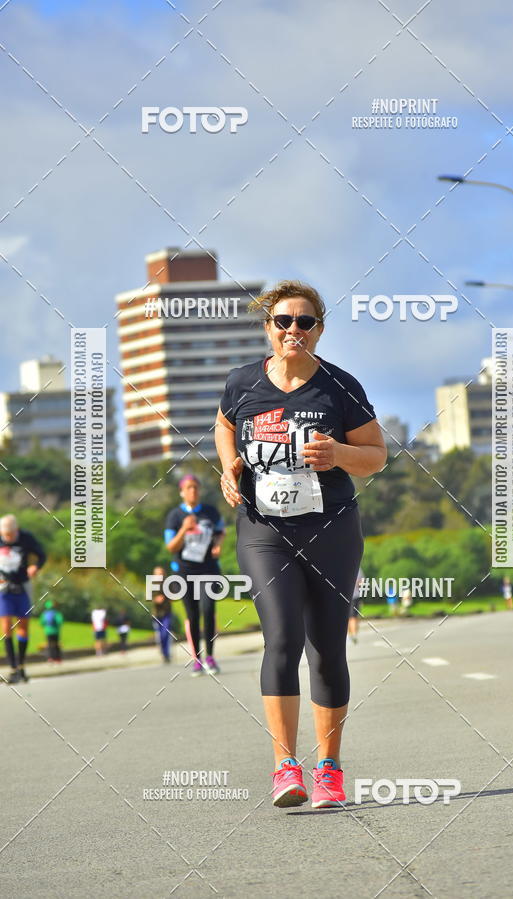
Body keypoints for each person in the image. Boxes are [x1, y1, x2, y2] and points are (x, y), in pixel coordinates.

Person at [215, 280, 386, 809]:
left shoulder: (338, 386)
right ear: (268, 328)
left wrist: (337, 453)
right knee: (282, 639)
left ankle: (329, 769)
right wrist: (228, 467)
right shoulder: (243, 383)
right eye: (283, 321)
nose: (294, 331)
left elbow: (376, 454)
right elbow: (224, 425)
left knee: (327, 648)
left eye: (305, 322)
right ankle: (286, 766)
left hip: (331, 527)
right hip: (264, 531)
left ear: (319, 329)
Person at [164, 475, 226, 675]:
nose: (193, 491)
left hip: (208, 569)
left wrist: (217, 545)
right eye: (189, 488)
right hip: (184, 572)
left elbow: (221, 532)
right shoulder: (174, 516)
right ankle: (197, 659)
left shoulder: (211, 512)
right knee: (192, 615)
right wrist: (184, 528)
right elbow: (171, 546)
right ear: (182, 492)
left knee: (208, 610)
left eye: (196, 487)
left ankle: (210, 657)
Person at [0, 514, 46, 684]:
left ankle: (21, 667)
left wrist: (35, 566)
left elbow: (42, 555)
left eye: (10, 535)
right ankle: (12, 669)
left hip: (23, 586)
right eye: (5, 535)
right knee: (6, 627)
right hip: (3, 588)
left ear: (16, 530)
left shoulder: (26, 538)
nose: (8, 538)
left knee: (23, 626)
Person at [151, 566, 172, 664]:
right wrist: (156, 599)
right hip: (157, 614)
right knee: (160, 636)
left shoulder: (168, 584)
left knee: (165, 633)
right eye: (157, 574)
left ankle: (167, 653)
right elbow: (149, 598)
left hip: (166, 613)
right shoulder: (151, 585)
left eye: (161, 574)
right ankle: (164, 653)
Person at [347, 567, 364, 645]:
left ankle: (352, 635)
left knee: (352, 616)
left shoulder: (357, 568)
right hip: (353, 596)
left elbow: (361, 582)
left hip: (354, 596)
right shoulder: (357, 566)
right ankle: (352, 635)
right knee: (353, 616)